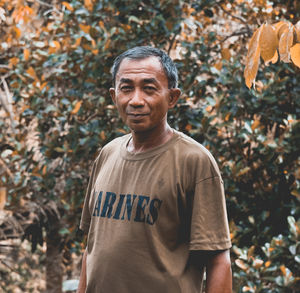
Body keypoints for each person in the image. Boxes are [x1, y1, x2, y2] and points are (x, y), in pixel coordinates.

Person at [77, 46, 232, 293]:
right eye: (126, 88)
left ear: (172, 97)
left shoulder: (194, 161)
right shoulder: (107, 155)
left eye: (149, 89)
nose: (136, 100)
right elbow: (92, 247)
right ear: (113, 95)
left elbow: (218, 261)